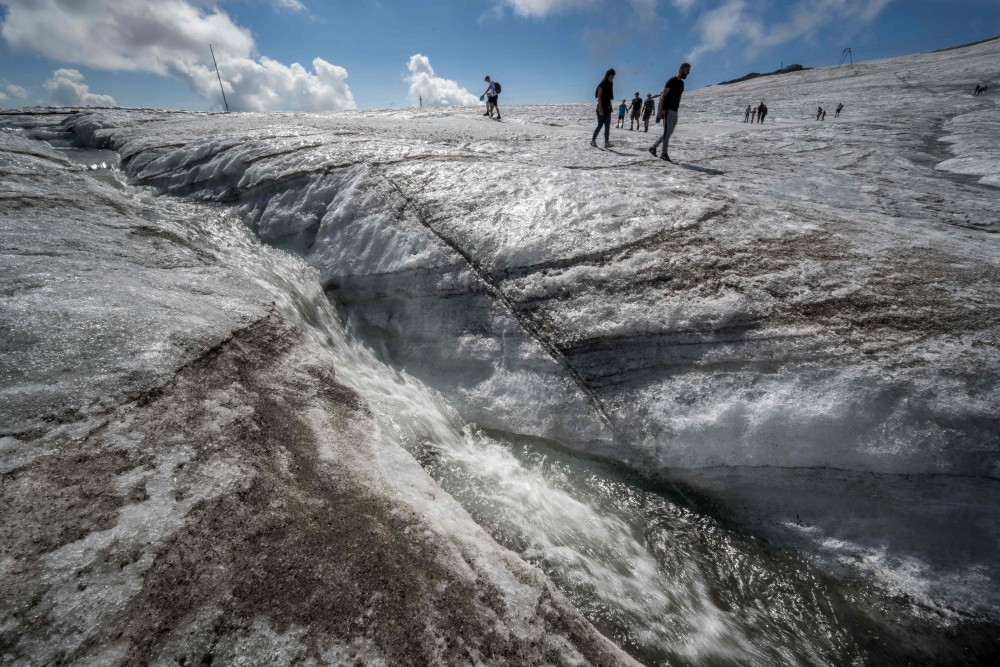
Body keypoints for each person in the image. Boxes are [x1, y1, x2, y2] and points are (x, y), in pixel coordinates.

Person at [648, 62, 690, 162]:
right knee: (667, 132)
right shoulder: (672, 80)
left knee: (668, 133)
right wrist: (661, 110)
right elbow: (663, 96)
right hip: (667, 110)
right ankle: (664, 153)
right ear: (681, 69)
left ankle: (653, 147)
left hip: (675, 110)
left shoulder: (682, 83)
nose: (688, 73)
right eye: (687, 70)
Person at [591, 68, 616, 148]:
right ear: (608, 75)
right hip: (601, 108)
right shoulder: (602, 84)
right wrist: (600, 108)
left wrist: (610, 106)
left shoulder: (610, 84)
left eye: (613, 77)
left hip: (608, 108)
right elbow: (599, 96)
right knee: (600, 125)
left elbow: (609, 97)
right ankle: (593, 140)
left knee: (607, 127)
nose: (612, 78)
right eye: (611, 76)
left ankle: (606, 143)